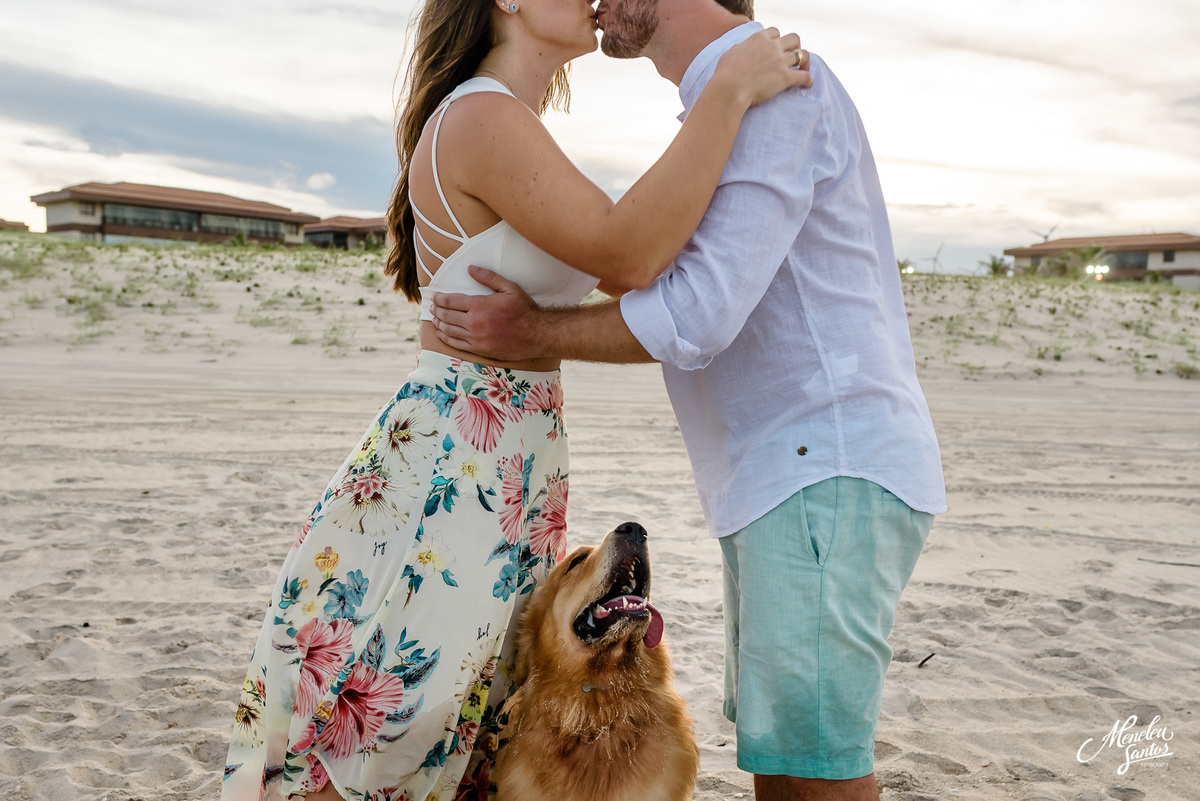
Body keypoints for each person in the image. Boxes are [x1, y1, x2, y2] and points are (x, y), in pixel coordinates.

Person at [219, 0, 809, 797]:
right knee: (407, 710)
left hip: (500, 458)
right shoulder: (483, 117)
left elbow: (652, 257)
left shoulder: (505, 120)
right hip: (461, 462)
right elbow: (630, 252)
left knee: (461, 712)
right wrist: (728, 92)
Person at [428, 1, 949, 799]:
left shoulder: (776, 86)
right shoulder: (730, 98)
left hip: (823, 465)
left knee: (814, 771)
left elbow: (695, 312)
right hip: (786, 476)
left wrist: (537, 329)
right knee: (785, 758)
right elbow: (645, 259)